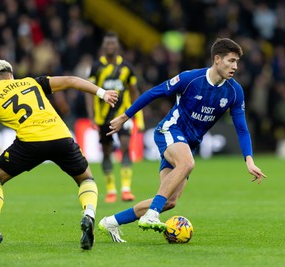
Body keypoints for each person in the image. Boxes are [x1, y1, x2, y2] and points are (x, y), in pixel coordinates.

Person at [98, 38, 267, 242]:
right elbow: (154, 93)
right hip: (169, 130)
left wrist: (249, 159)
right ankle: (151, 215)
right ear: (217, 59)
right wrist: (125, 116)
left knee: (169, 201)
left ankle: (111, 222)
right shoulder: (190, 79)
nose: (235, 66)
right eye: (231, 61)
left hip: (189, 144)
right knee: (186, 163)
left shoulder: (234, 91)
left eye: (237, 62)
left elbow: (241, 127)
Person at [0, 59, 118, 251]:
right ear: (10, 75)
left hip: (30, 144)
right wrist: (102, 92)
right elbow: (71, 80)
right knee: (86, 179)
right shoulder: (32, 82)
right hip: (61, 137)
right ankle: (88, 215)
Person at [86, 32, 144, 203]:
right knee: (106, 152)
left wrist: (138, 117)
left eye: (113, 43)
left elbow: (134, 93)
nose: (110, 46)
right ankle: (111, 190)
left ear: (118, 46)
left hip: (124, 116)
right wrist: (91, 115)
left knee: (126, 147)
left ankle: (126, 189)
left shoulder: (127, 68)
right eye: (107, 44)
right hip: (103, 118)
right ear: (103, 47)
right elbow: (89, 92)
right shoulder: (96, 68)